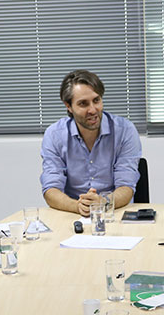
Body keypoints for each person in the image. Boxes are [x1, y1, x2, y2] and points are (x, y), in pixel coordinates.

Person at [40, 70, 142, 216]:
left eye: (96, 100)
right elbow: (51, 189)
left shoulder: (125, 130)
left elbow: (126, 186)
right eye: (83, 104)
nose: (93, 110)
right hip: (72, 215)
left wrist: (102, 202)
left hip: (114, 214)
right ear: (68, 106)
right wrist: (78, 206)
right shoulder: (54, 135)